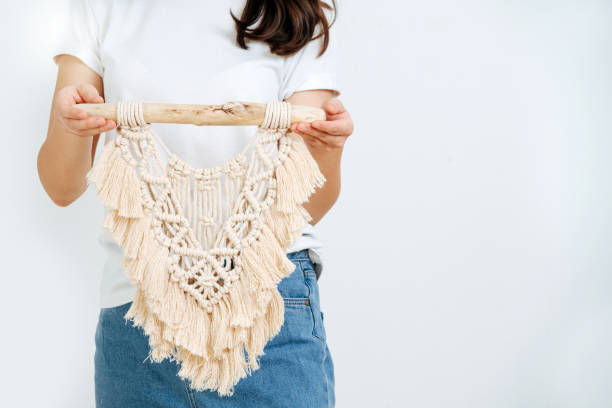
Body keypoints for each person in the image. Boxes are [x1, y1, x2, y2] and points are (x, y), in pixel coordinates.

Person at [37, 0, 353, 406]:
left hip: (266, 310)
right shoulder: (101, 7)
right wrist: (73, 126)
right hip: (138, 314)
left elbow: (306, 208)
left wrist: (330, 147)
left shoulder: (293, 10)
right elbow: (60, 187)